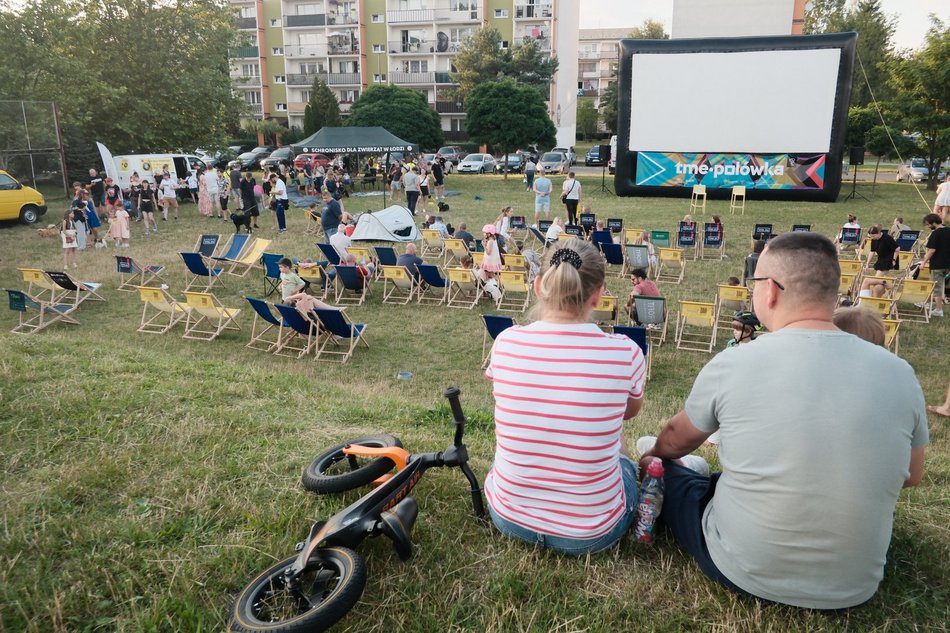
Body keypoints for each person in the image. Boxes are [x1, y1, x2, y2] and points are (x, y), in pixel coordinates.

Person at [638, 231, 928, 609]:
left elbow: (674, 441)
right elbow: (913, 474)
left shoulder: (736, 361)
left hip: (741, 569)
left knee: (667, 469)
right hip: (855, 585)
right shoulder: (900, 372)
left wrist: (655, 456)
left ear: (770, 291)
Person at [484, 238, 647, 554]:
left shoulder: (506, 343)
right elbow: (629, 412)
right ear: (598, 296)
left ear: (538, 286)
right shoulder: (625, 353)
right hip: (590, 533)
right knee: (618, 442)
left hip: (508, 516)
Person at [920, 213, 948, 317]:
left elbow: (931, 250)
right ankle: (927, 303)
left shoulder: (936, 233)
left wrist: (923, 262)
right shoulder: (948, 230)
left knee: (937, 287)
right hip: (947, 265)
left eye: (928, 224)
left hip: (938, 264)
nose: (928, 226)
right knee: (935, 284)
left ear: (934, 223)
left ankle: (938, 310)